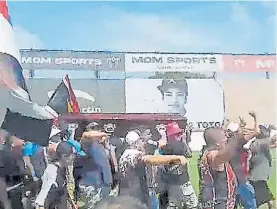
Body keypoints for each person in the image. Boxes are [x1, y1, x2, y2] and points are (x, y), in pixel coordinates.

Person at [198, 127, 241, 209]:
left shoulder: (206, 152)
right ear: (217, 143)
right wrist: (236, 139)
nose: (226, 139)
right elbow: (224, 155)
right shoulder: (212, 154)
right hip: (217, 204)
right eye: (224, 137)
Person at [227, 112, 258, 209]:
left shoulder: (226, 142)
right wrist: (255, 117)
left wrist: (241, 125)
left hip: (230, 180)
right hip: (240, 179)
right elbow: (256, 132)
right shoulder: (237, 142)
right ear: (235, 133)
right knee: (250, 205)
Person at [76, 130, 113, 209]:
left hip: (104, 184)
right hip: (94, 185)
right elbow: (85, 135)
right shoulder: (90, 145)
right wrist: (103, 134)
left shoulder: (101, 146)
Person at [34, 141, 76, 209]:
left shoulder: (63, 168)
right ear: (64, 156)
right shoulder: (52, 172)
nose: (74, 157)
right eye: (72, 155)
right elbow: (41, 199)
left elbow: (63, 188)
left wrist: (72, 203)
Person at [248, 123, 276, 209]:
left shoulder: (258, 142)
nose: (260, 131)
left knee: (264, 198)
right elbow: (273, 140)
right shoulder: (261, 142)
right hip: (257, 176)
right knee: (267, 199)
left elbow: (272, 145)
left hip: (257, 176)